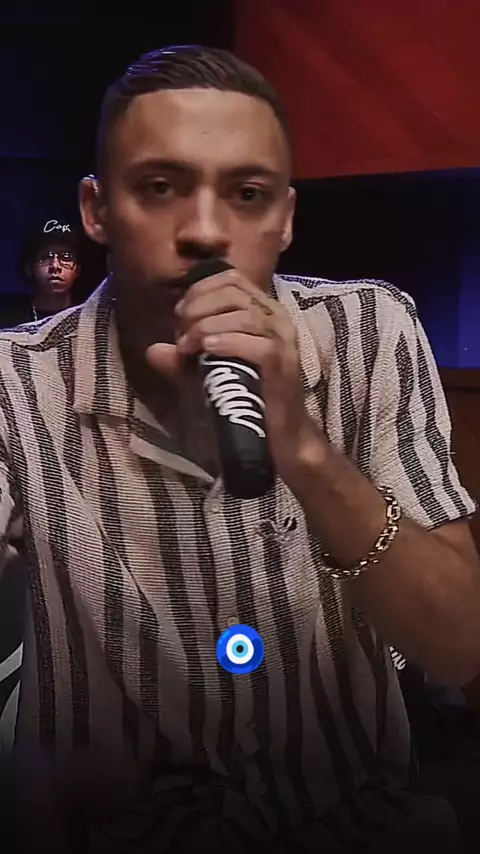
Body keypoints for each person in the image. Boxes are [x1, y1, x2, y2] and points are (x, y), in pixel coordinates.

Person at [0, 45, 479, 854]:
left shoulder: (369, 331)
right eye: (160, 187)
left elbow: (461, 643)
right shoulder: (15, 379)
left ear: (285, 219)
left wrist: (305, 447)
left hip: (355, 821)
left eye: (246, 194)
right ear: (96, 210)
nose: (204, 231)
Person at [0, 217, 82, 328]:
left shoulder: (89, 318)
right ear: (29, 268)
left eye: (66, 257)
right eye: (45, 257)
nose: (55, 266)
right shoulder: (7, 318)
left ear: (77, 270)